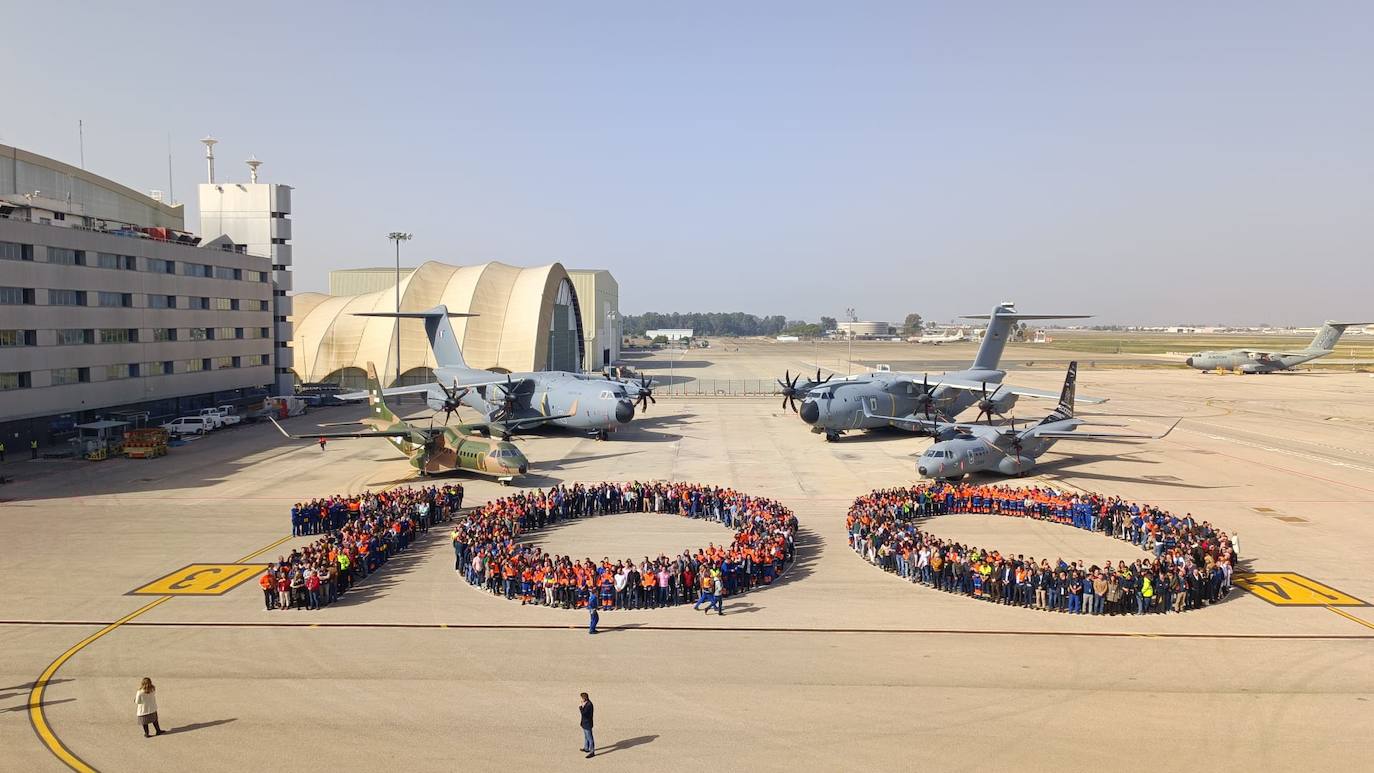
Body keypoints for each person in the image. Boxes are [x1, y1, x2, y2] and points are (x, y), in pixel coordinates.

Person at [579, 692, 595, 758]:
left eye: (582, 698)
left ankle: (592, 752)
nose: (581, 699)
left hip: (587, 723)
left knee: (590, 738)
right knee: (586, 736)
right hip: (585, 723)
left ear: (584, 698)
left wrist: (580, 707)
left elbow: (584, 713)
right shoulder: (587, 703)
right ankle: (586, 748)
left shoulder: (589, 705)